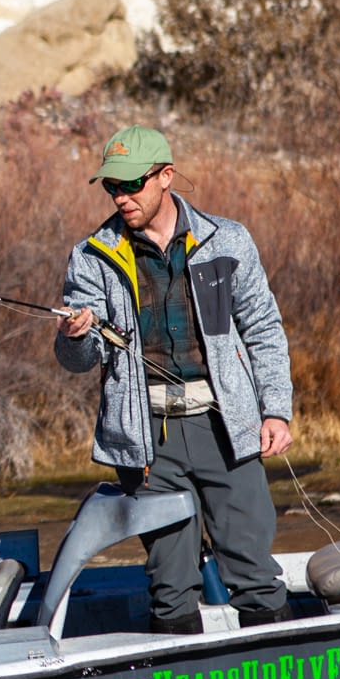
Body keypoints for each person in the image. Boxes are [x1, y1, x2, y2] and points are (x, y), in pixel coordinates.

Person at [54, 126, 294, 635]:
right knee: (169, 587)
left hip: (225, 430)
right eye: (111, 187)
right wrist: (76, 336)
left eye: (131, 184)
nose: (121, 197)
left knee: (255, 575)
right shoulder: (91, 257)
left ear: (165, 176)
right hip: (146, 442)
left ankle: (278, 674)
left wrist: (276, 409)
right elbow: (79, 359)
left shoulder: (226, 239)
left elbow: (263, 329)